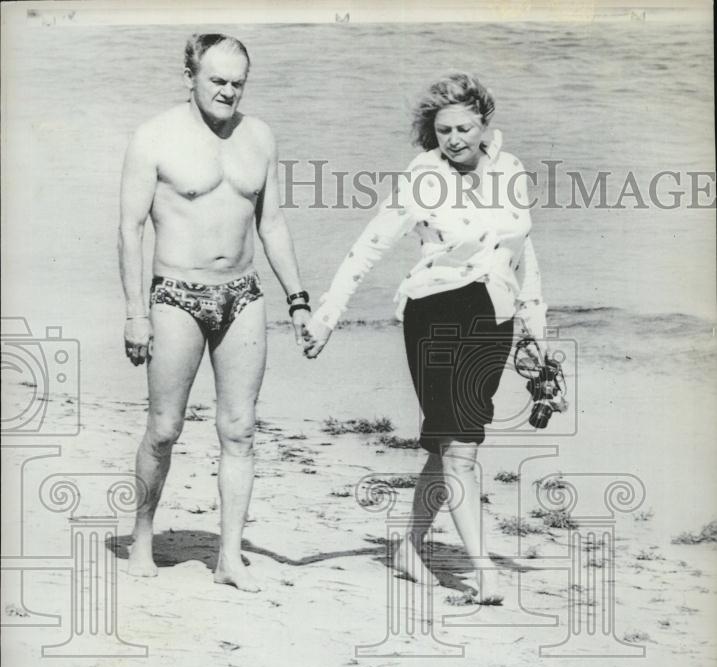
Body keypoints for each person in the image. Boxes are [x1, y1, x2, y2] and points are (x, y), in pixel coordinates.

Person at [304, 72, 547, 592]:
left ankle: (408, 547)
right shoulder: (421, 178)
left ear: (484, 124)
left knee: (447, 447)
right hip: (435, 312)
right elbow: (368, 247)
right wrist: (327, 315)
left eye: (464, 127)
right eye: (443, 131)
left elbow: (523, 252)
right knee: (461, 449)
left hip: (495, 317)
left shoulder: (510, 169)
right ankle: (484, 573)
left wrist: (536, 326)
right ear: (431, 134)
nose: (454, 139)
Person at [119, 34, 311, 591]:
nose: (228, 91)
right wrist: (135, 312)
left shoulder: (260, 136)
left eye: (237, 82)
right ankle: (142, 536)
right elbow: (130, 230)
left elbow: (271, 224)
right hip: (176, 294)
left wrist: (297, 300)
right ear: (190, 77)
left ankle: (229, 557)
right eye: (217, 80)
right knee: (164, 428)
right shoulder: (153, 137)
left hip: (244, 294)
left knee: (241, 430)